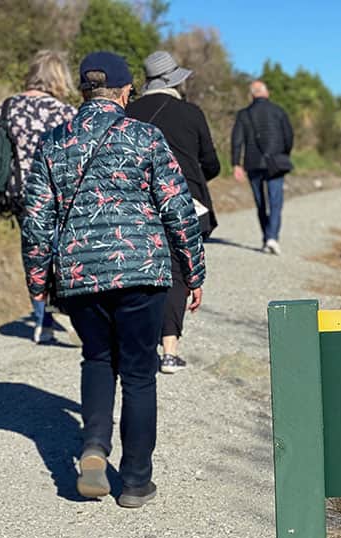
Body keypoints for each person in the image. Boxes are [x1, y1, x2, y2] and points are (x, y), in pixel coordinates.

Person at [21, 51, 205, 508]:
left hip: (80, 274)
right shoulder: (146, 137)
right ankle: (137, 481)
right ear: (125, 93)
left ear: (84, 91)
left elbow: (36, 221)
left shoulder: (53, 142)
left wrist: (38, 280)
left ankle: (94, 449)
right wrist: (194, 270)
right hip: (142, 272)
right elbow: (178, 209)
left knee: (98, 359)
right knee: (140, 373)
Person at [127, 50, 220, 375]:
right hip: (187, 202)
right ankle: (169, 351)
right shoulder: (191, 113)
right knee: (179, 272)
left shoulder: (128, 111)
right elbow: (211, 163)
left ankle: (141, 344)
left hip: (140, 202)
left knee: (143, 270)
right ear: (171, 80)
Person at [0, 50, 77, 344]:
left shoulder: (9, 106)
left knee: (34, 254)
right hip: (59, 196)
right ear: (59, 77)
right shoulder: (65, 112)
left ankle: (42, 321)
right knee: (64, 253)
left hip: (21, 195)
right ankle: (67, 308)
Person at [231, 80, 294, 254]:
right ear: (266, 93)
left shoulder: (243, 114)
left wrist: (236, 163)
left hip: (253, 163)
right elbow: (289, 136)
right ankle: (272, 237)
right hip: (276, 162)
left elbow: (237, 141)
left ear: (252, 95)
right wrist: (284, 154)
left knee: (260, 203)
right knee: (275, 201)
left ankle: (267, 237)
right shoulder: (278, 111)